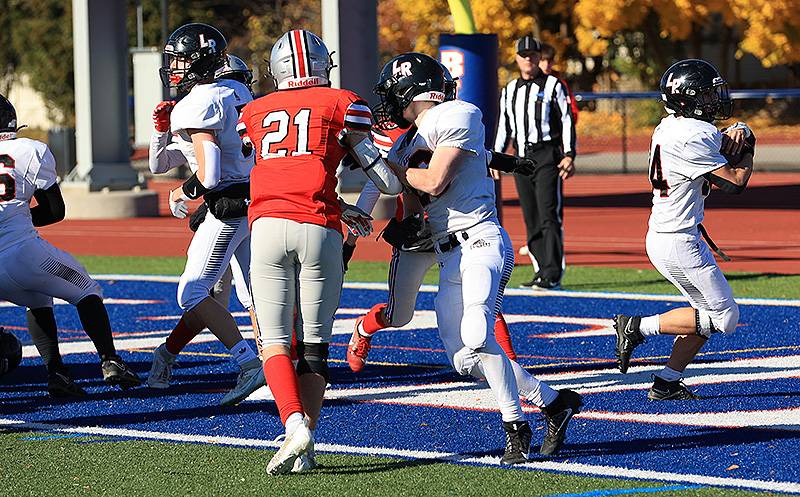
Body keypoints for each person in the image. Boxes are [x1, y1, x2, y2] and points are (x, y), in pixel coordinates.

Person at [376, 52, 582, 463]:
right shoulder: (408, 139)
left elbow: (435, 180)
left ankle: (515, 428)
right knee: (464, 358)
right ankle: (555, 402)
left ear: (409, 90)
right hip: (448, 253)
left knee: (476, 335)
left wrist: (393, 169)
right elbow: (460, 167)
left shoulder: (458, 113)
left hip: (481, 243)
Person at [239, 29, 399, 476]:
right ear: (320, 65)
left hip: (268, 225)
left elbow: (276, 165)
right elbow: (387, 183)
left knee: (273, 341)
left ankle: (294, 426)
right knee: (314, 347)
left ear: (278, 70)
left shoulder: (252, 111)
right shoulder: (342, 102)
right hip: (319, 230)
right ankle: (307, 438)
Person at [614, 59, 755, 400]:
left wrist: (737, 132)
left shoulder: (671, 127)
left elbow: (712, 146)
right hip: (678, 241)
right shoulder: (693, 134)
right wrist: (749, 144)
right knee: (725, 318)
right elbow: (734, 183)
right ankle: (635, 327)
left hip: (670, 235)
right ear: (686, 100)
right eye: (705, 96)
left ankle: (666, 382)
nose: (713, 101)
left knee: (701, 313)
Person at [145, 23, 265, 407]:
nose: (173, 68)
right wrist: (161, 132)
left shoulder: (200, 101)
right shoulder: (237, 92)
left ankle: (248, 363)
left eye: (179, 60)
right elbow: (164, 161)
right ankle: (282, 365)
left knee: (192, 291)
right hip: (252, 203)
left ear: (199, 61)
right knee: (255, 296)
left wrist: (185, 190)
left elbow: (210, 174)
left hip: (227, 207)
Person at [0, 95, 141, 397]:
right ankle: (110, 360)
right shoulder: (29, 150)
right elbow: (54, 211)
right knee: (87, 289)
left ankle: (57, 373)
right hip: (22, 251)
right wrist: (19, 216)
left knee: (38, 298)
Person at [495, 35, 576, 290]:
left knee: (548, 213)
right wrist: (497, 158)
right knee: (530, 215)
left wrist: (569, 154)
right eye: (524, 55)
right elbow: (504, 126)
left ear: (539, 58)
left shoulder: (554, 85)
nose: (528, 59)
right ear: (517, 59)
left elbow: (566, 120)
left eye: (532, 55)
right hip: (521, 157)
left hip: (546, 154)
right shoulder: (509, 90)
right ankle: (540, 269)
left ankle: (553, 273)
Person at [538, 43, 579, 124]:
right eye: (542, 60)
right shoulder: (528, 83)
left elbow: (572, 108)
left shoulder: (560, 83)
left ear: (553, 62)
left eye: (549, 61)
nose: (546, 65)